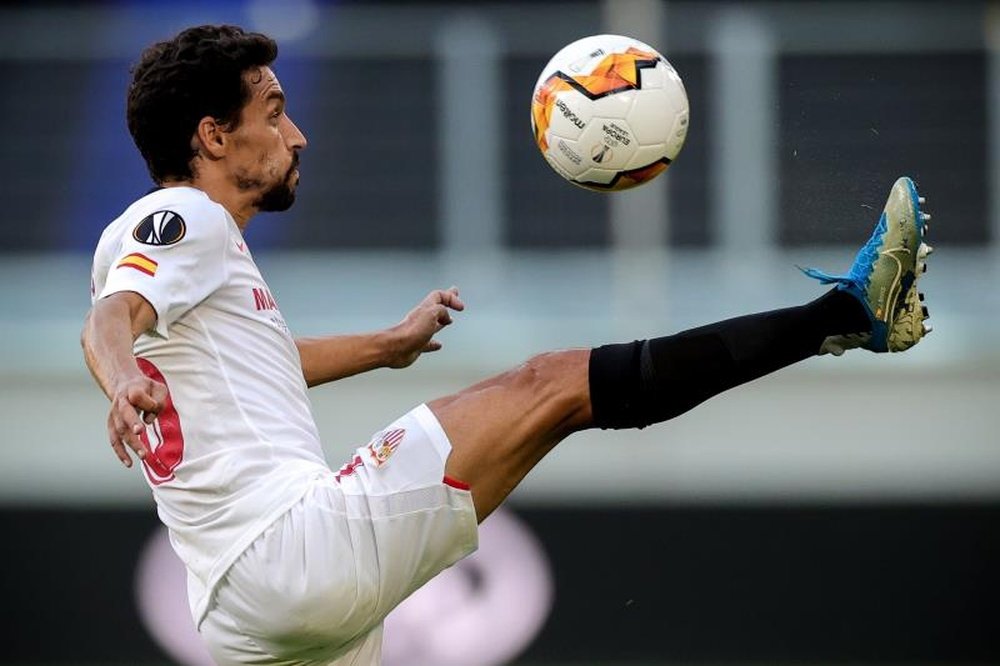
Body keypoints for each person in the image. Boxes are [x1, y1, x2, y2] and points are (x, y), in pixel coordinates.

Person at [81, 24, 933, 666]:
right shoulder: (183, 218)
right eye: (273, 111)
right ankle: (846, 314)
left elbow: (249, 360)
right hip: (290, 549)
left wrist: (388, 345)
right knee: (551, 383)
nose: (297, 134)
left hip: (234, 614)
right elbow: (108, 326)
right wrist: (121, 376)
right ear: (213, 137)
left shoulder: (158, 250)